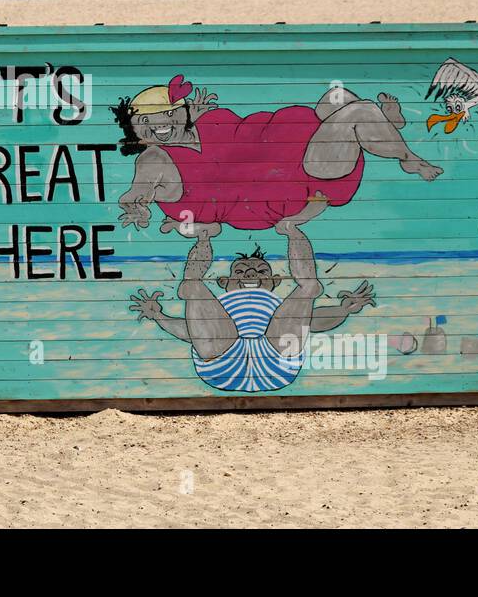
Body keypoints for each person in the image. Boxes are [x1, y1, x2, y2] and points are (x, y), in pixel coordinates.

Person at [113, 75, 442, 236]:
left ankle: (386, 129)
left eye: (165, 114)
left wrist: (196, 115)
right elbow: (140, 187)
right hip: (305, 169)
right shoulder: (153, 158)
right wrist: (136, 203)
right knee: (357, 112)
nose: (157, 125)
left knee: (336, 96)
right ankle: (406, 157)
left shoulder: (200, 122)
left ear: (177, 112)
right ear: (136, 134)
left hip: (300, 138)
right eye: (143, 122)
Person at [127, 226, 376, 393]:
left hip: (276, 360)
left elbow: (313, 321)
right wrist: (159, 315)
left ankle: (293, 230)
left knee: (308, 288)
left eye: (261, 271)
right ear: (223, 283)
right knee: (192, 288)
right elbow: (192, 330)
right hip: (222, 362)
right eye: (240, 270)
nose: (250, 273)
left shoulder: (279, 306)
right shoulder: (221, 306)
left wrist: (344, 310)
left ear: (275, 282)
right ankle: (204, 238)